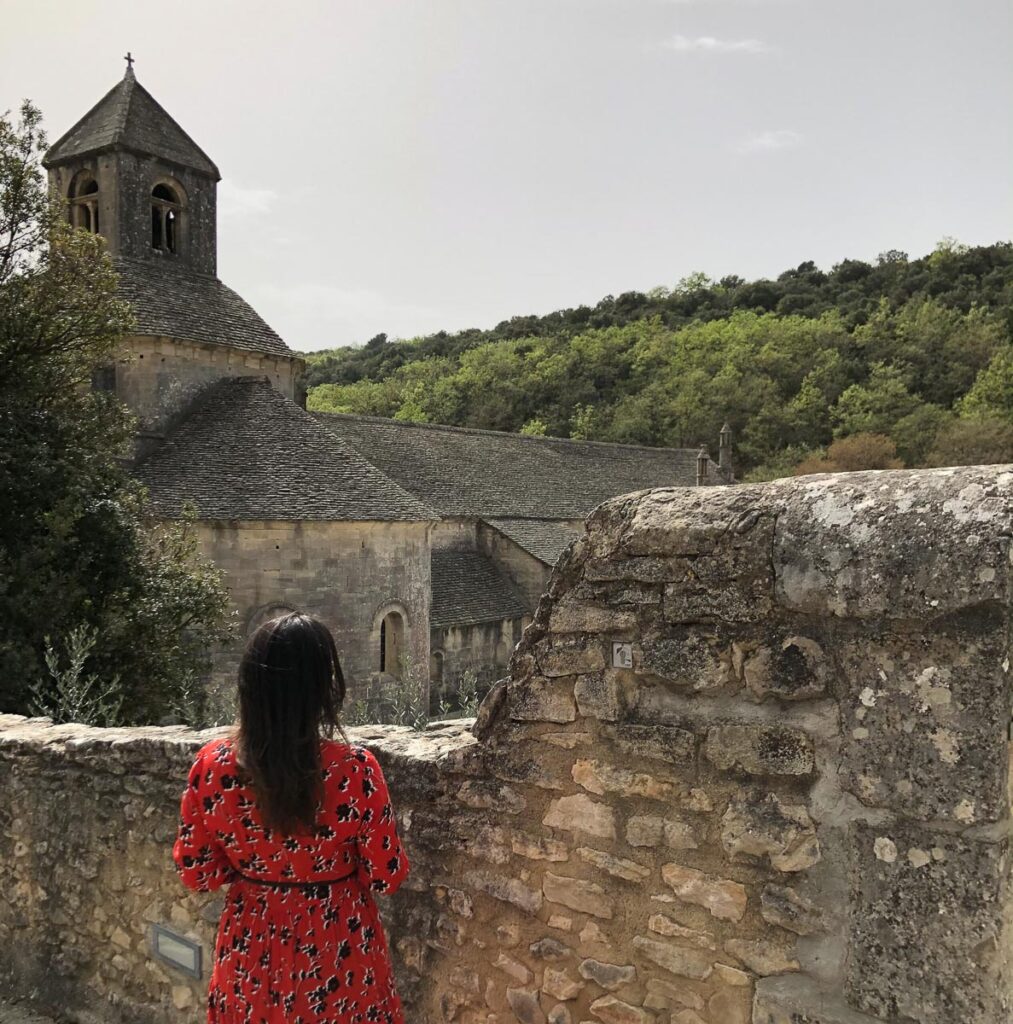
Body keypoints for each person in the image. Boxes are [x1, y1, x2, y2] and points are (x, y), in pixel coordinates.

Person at [172, 612, 409, 1023]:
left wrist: (259, 868)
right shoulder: (354, 770)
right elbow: (387, 875)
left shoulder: (212, 767)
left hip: (251, 952)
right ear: (322, 688)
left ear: (250, 686)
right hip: (340, 955)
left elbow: (197, 872)